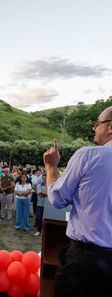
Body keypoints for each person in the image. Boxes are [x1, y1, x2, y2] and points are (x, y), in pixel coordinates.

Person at [43, 106, 112, 296]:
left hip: (86, 264)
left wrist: (51, 168)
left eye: (97, 124)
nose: (94, 128)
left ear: (110, 127)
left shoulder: (89, 155)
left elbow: (57, 199)